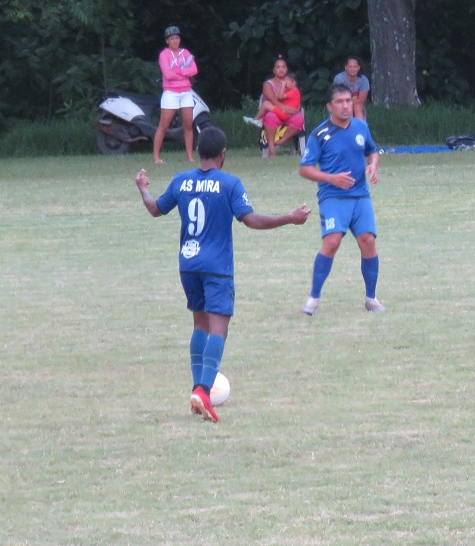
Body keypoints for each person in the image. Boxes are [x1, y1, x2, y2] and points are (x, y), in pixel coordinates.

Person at [134, 127, 310, 422]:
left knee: (199, 324)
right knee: (219, 329)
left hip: (188, 265)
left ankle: (196, 391)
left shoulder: (181, 181)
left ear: (200, 151)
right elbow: (250, 219)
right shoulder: (229, 184)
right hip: (217, 268)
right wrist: (289, 219)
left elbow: (155, 209)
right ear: (223, 154)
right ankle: (203, 391)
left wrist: (142, 187)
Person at [299, 83, 384, 315]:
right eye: (340, 102)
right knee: (332, 242)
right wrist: (331, 178)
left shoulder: (361, 127)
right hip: (333, 196)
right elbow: (304, 169)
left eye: (348, 101)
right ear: (329, 106)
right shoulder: (320, 134)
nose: (345, 106)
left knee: (368, 241)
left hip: (360, 196)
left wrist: (373, 165)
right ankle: (313, 298)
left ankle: (371, 298)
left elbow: (372, 151)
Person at [152, 25, 199, 165]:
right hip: (171, 92)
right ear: (167, 41)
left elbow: (194, 70)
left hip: (185, 91)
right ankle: (155, 157)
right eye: (172, 38)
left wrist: (178, 72)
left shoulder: (185, 53)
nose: (175, 41)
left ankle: (190, 156)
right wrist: (183, 73)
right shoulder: (164, 55)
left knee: (188, 124)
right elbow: (167, 74)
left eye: (177, 38)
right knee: (164, 125)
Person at [258, 56, 305, 157]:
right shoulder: (268, 84)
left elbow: (297, 97)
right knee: (270, 116)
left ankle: (280, 141)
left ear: (286, 69)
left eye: (283, 67)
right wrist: (282, 107)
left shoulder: (291, 83)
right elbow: (271, 98)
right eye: (278, 67)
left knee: (299, 118)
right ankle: (271, 148)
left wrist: (295, 109)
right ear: (274, 70)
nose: (281, 69)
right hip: (275, 112)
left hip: (289, 114)